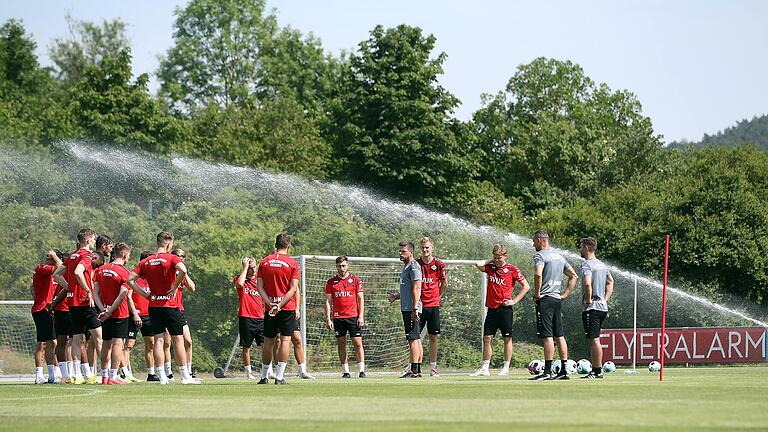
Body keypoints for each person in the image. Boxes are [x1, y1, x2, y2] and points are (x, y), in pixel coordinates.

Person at [127, 231, 199, 384]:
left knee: (158, 340)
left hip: (154, 306)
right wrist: (174, 287)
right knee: (178, 340)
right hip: (170, 306)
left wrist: (145, 295)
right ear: (167, 244)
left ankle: (161, 377)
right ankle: (185, 377)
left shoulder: (147, 261)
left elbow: (130, 279)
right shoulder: (171, 257)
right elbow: (184, 270)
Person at [470, 244, 530, 377]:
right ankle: (485, 368)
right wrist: (492, 260)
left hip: (505, 309)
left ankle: (506, 368)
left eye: (499, 258)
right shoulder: (491, 267)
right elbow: (477, 263)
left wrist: (514, 301)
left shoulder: (512, 269)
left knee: (507, 338)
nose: (497, 260)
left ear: (505, 256)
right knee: (487, 338)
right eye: (495, 258)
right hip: (491, 309)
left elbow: (526, 286)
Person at [52, 228, 102, 384]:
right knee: (100, 338)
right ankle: (108, 374)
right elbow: (79, 272)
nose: (94, 242)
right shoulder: (86, 256)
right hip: (84, 301)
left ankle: (77, 376)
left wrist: (70, 288)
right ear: (88, 240)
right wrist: (87, 290)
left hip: (72, 302)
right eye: (93, 240)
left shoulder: (73, 255)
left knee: (77, 339)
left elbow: (56, 274)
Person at [529, 230, 579, 381]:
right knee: (559, 335)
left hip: (545, 299)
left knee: (548, 336)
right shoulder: (559, 256)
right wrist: (565, 294)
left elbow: (538, 274)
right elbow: (574, 276)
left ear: (540, 240)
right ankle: (564, 371)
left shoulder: (540, 255)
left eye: (534, 241)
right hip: (557, 299)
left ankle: (548, 372)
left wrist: (537, 294)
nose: (533, 244)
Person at [256, 233, 300, 385]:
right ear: (289, 246)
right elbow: (293, 288)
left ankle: (264, 377)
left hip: (269, 308)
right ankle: (279, 377)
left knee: (268, 341)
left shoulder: (264, 262)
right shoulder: (292, 263)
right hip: (286, 307)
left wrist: (270, 304)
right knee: (285, 340)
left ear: (276, 244)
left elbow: (259, 287)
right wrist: (280, 305)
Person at [93, 243, 132, 385]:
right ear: (125, 255)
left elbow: (95, 292)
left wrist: (103, 308)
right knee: (117, 344)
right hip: (119, 313)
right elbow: (122, 295)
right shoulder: (124, 273)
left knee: (106, 344)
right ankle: (113, 376)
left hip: (104, 312)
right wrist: (109, 311)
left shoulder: (101, 270)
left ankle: (104, 377)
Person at [324, 256, 366, 378]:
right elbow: (327, 301)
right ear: (336, 266)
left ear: (348, 265)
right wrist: (328, 318)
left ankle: (361, 370)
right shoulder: (331, 282)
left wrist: (361, 316)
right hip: (338, 318)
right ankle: (345, 371)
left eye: (343, 265)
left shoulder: (356, 280)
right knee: (341, 343)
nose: (342, 268)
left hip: (353, 316)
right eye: (339, 266)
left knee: (357, 342)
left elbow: (360, 298)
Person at [579, 237, 614, 379]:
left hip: (591, 308)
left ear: (586, 247)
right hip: (602, 308)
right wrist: (605, 299)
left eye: (581, 246)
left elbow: (587, 284)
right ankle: (597, 370)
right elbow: (610, 282)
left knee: (594, 339)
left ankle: (597, 371)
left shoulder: (587, 265)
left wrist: (587, 300)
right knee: (595, 338)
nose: (579, 249)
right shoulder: (602, 265)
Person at [387, 241, 423, 378]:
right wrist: (396, 296)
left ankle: (413, 370)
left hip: (411, 309)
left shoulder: (414, 267)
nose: (400, 254)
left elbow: (417, 287)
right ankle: (417, 370)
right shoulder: (407, 267)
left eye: (403, 251)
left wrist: (414, 308)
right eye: (400, 251)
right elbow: (408, 290)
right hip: (408, 307)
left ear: (411, 252)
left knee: (412, 339)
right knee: (416, 339)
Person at [416, 237, 447, 377]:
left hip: (433, 306)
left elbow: (444, 284)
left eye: (427, 247)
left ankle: (433, 368)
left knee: (433, 337)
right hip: (419, 306)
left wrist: (437, 297)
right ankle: (415, 367)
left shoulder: (439, 264)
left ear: (432, 248)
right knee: (415, 338)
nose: (425, 250)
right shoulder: (416, 264)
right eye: (423, 247)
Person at [31, 249, 63, 383]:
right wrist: (56, 258)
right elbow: (62, 267)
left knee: (51, 342)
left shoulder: (52, 274)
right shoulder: (42, 268)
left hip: (47, 310)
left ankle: (51, 375)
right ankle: (41, 375)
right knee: (44, 343)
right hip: (42, 310)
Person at [123, 250, 155, 382]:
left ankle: (151, 373)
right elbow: (128, 297)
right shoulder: (134, 276)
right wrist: (135, 314)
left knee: (151, 344)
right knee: (129, 345)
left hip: (149, 315)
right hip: (135, 315)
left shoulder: (153, 277)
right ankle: (124, 373)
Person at [234, 256, 265, 380]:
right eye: (250, 268)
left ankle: (266, 371)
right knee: (246, 346)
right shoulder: (239, 278)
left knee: (265, 345)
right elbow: (240, 284)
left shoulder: (260, 280)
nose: (253, 270)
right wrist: (245, 268)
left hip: (260, 317)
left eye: (254, 267)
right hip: (246, 316)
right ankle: (248, 372)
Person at [171, 248, 197, 379]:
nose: (180, 258)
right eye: (177, 256)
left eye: (182, 256)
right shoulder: (169, 272)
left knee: (188, 341)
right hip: (167, 308)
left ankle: (188, 371)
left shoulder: (181, 274)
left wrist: (184, 273)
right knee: (165, 342)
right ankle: (167, 372)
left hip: (179, 310)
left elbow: (192, 288)